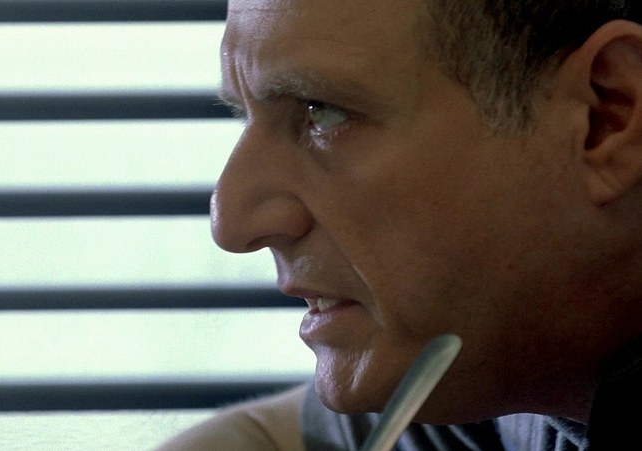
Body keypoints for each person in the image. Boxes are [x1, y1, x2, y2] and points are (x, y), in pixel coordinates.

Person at [155, 0, 642, 449]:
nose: (231, 223)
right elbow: (270, 437)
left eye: (322, 113)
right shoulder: (511, 363)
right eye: (245, 116)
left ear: (606, 115)